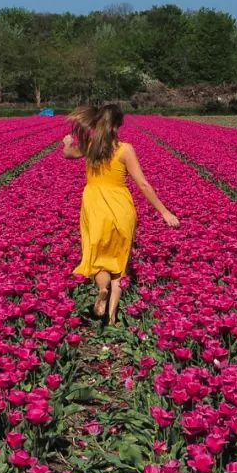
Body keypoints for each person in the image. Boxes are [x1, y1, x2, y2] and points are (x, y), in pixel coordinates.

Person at [62, 102, 179, 325]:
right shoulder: (125, 149)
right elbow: (143, 184)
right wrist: (164, 211)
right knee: (119, 261)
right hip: (120, 206)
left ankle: (102, 289)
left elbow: (68, 153)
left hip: (94, 206)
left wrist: (67, 143)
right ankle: (113, 317)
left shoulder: (90, 146)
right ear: (119, 124)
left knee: (98, 259)